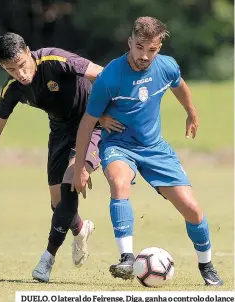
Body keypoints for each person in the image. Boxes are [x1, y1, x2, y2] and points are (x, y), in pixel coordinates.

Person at [0, 32, 123, 283]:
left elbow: (103, 75)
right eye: (11, 70)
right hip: (60, 132)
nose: (20, 74)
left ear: (28, 52)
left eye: (22, 65)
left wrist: (101, 113)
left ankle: (47, 259)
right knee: (59, 204)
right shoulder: (12, 89)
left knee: (70, 179)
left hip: (92, 126)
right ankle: (80, 230)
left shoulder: (55, 59)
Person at [72, 17, 223, 286]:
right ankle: (127, 258)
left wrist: (192, 112)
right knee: (119, 183)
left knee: (193, 209)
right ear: (129, 42)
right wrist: (82, 166)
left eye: (151, 49)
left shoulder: (166, 66)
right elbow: (86, 122)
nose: (144, 55)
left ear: (159, 46)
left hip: (155, 148)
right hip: (118, 145)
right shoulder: (110, 76)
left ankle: (207, 266)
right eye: (139, 47)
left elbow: (179, 85)